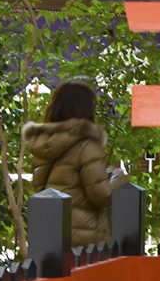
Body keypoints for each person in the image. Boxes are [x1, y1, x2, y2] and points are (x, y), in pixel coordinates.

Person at [23, 81, 124, 246]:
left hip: (50, 238)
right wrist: (119, 178)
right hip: (84, 242)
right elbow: (101, 195)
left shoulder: (41, 145)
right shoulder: (87, 146)